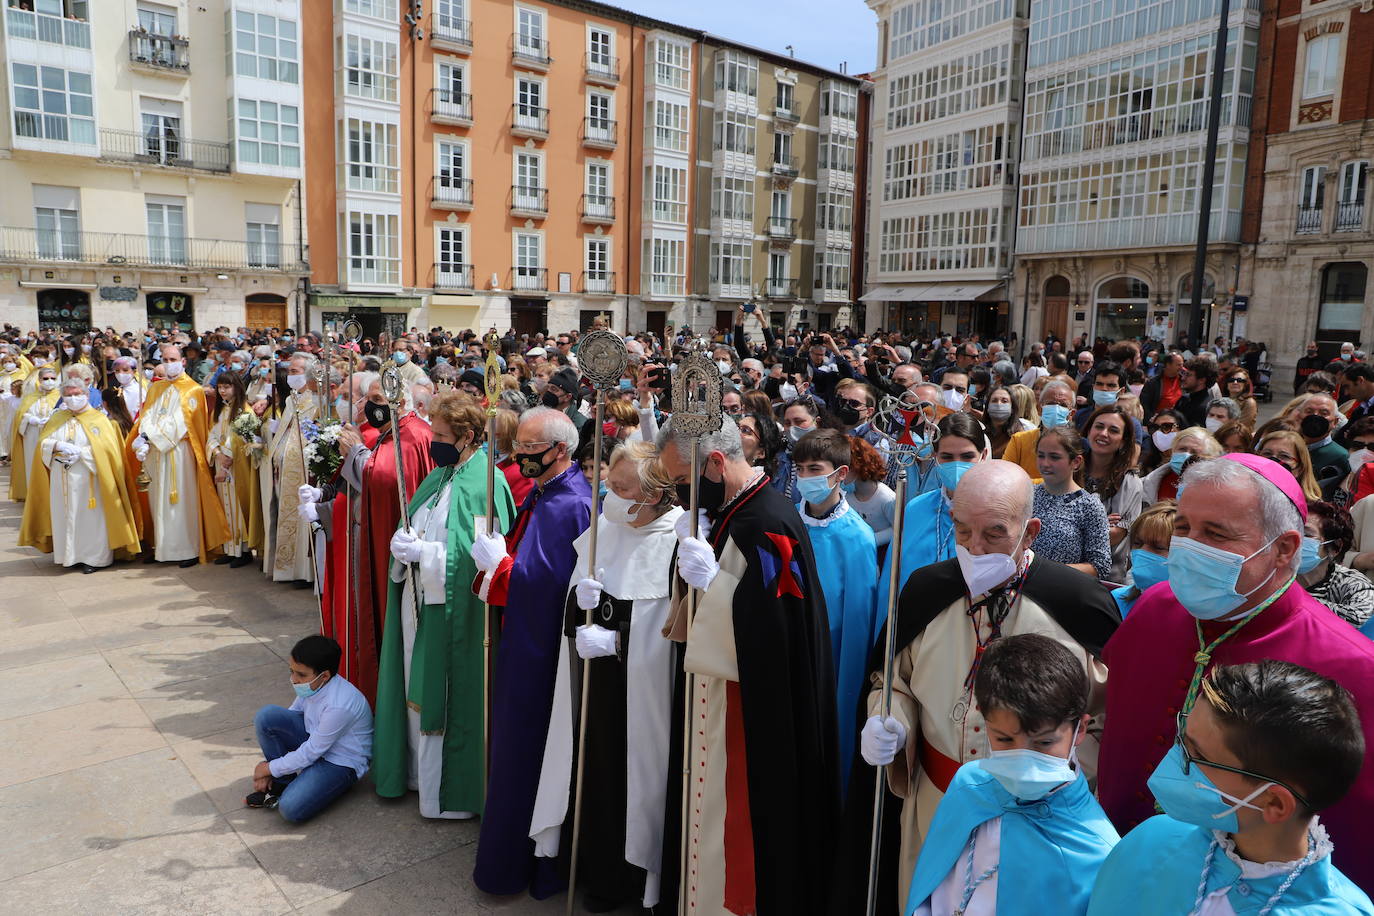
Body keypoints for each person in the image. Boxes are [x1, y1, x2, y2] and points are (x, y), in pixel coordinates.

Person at [847, 460, 1118, 912]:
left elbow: (1105, 718)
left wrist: (1056, 779)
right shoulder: (926, 590)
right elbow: (893, 683)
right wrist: (888, 721)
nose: (974, 548)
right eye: (962, 531)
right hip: (938, 807)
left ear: (1030, 531)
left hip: (1042, 821)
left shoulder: (1079, 604)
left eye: (994, 533)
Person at [1096, 453, 1374, 889]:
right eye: (1184, 528)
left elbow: (1357, 830)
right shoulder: (1155, 607)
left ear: (1284, 548)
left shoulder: (1353, 666)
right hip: (1121, 860)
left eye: (1216, 534)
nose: (1188, 545)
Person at [655, 415, 839, 914]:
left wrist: (714, 585)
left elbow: (778, 633)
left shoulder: (766, 522)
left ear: (714, 463)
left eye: (681, 481)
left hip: (749, 710)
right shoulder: (735, 513)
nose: (679, 494)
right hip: (716, 692)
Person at [1089, 660, 1374, 915]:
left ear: (1274, 803)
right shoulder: (1153, 839)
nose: (1175, 759)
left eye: (1197, 756)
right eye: (1182, 739)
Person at [530, 440, 681, 912]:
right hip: (594, 685)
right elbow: (576, 601)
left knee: (632, 779)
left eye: (619, 488)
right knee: (591, 771)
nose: (607, 496)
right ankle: (593, 867)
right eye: (608, 485)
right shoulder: (607, 527)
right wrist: (580, 607)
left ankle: (633, 877)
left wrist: (619, 642)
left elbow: (676, 632)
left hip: (641, 694)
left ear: (653, 495)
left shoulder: (679, 539)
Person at [371, 391, 517, 820]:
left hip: (453, 614)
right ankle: (416, 776)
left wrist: (427, 556)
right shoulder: (440, 475)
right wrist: (403, 545)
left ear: (468, 436)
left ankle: (448, 794)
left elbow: (480, 557)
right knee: (412, 681)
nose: (432, 441)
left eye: (440, 434)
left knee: (444, 693)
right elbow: (419, 521)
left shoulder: (485, 482)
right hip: (418, 602)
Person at [466, 406, 592, 899]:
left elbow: (549, 585)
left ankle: (521, 862)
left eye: (529, 448)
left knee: (527, 750)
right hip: (522, 640)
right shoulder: (545, 493)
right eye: (517, 445)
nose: (520, 456)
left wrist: (502, 567)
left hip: (543, 653)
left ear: (561, 448)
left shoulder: (571, 504)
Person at [904, 634, 1119, 916]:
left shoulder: (1097, 849)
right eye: (1004, 739)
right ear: (984, 718)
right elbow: (929, 891)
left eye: (1044, 743)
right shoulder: (969, 786)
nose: (1023, 759)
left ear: (1080, 729)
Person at [302, 375, 433, 703]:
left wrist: (357, 451)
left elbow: (386, 480)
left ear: (399, 402)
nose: (370, 406)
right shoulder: (392, 432)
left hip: (392, 544)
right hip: (368, 535)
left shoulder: (413, 434)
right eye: (370, 398)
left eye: (377, 398)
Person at [793, 429, 881, 792]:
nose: (805, 477)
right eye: (799, 468)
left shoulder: (856, 536)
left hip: (830, 661)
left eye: (815, 468)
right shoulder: (787, 524)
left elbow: (858, 626)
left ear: (841, 474)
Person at [17, 377, 141, 573]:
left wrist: (82, 454)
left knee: (91, 518)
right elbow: (43, 444)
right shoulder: (57, 418)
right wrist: (56, 446)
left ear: (86, 394)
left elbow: (109, 453)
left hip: (90, 478)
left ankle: (95, 558)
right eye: (68, 395)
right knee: (66, 516)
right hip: (62, 477)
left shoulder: (100, 420)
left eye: (77, 394)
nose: (73, 398)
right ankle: (71, 555)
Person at [248, 635, 374, 823]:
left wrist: (268, 768)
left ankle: (330, 783)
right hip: (315, 743)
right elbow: (291, 716)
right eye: (292, 671)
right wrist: (273, 770)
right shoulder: (313, 685)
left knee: (290, 809)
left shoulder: (339, 705)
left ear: (324, 675)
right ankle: (282, 783)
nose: (293, 679)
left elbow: (311, 752)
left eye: (300, 674)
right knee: (267, 717)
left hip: (340, 762)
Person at [125, 345, 230, 567]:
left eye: (173, 358)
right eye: (165, 358)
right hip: (156, 452)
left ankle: (187, 550)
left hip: (179, 453)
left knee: (180, 501)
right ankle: (161, 548)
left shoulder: (192, 390)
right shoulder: (156, 388)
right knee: (158, 500)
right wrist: (142, 438)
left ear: (182, 361)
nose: (168, 361)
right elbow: (148, 414)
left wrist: (149, 435)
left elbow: (182, 424)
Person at [877, 413, 990, 617]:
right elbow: (891, 584)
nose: (956, 465)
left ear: (983, 455)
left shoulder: (995, 512)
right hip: (915, 623)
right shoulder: (915, 509)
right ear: (935, 457)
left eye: (967, 457)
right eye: (947, 457)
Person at [262, 354, 321, 585]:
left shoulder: (316, 400)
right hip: (283, 467)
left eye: (296, 371)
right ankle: (287, 568)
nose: (291, 375)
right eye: (291, 370)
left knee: (301, 517)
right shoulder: (291, 400)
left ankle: (304, 572)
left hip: (303, 469)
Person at [1033, 424, 1112, 579]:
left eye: (1054, 457)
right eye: (1041, 455)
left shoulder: (1089, 505)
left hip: (1061, 592)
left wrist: (1048, 571)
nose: (1045, 463)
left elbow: (1100, 566)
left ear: (1075, 462)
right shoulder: (1027, 493)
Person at [206, 369, 262, 566]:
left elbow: (235, 441)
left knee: (238, 505)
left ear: (237, 387)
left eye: (227, 386)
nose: (222, 391)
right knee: (226, 506)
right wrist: (217, 454)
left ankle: (243, 550)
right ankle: (230, 548)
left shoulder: (245, 411)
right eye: (220, 387)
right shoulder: (220, 410)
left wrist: (224, 463)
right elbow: (212, 434)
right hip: (222, 461)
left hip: (236, 468)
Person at [1082, 405, 1143, 582]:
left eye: (1113, 430)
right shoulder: (1070, 470)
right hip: (1063, 568)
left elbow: (1114, 535)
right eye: (1099, 426)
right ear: (1089, 430)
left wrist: (1076, 524)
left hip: (1106, 578)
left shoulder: (1130, 482)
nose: (1103, 433)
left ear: (1123, 441)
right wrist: (1099, 522)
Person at [1300, 500, 1374, 628]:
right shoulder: (1269, 573)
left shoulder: (1354, 585)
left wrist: (1293, 600)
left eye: (1306, 534)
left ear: (1335, 548)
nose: (1296, 539)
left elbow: (1360, 618)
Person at [1111, 501, 1175, 619]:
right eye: (1137, 543)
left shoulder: (1194, 617)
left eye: (1158, 547)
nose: (1142, 552)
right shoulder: (1116, 600)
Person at [1002, 379, 1075, 478]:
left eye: (1063, 405)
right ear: (1040, 408)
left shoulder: (1078, 445)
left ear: (1071, 414)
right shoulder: (1019, 441)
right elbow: (1006, 475)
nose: (1056, 408)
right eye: (1051, 403)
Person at [7, 365, 60, 501]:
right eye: (46, 378)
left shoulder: (60, 397)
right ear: (40, 380)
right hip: (32, 435)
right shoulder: (30, 397)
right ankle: (34, 495)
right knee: (32, 463)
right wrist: (31, 419)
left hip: (52, 436)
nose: (49, 381)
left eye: (52, 378)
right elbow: (20, 415)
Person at [1141, 426, 1221, 504]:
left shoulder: (1216, 490)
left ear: (1208, 458)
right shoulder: (1146, 484)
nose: (1186, 454)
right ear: (1173, 450)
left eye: (1194, 452)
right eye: (1182, 449)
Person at [845, 435, 897, 552]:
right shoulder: (846, 494)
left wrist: (872, 539)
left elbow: (899, 528)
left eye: (846, 469)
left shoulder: (887, 498)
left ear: (858, 467)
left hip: (880, 552)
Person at [1256, 428, 1322, 502]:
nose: (1273, 461)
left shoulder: (1313, 506)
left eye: (1284, 456)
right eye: (1267, 453)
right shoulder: (1244, 492)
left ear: (1300, 468)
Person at [984, 385, 1035, 459]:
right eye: (994, 400)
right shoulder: (980, 432)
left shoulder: (1022, 435)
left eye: (1004, 401)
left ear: (1012, 408)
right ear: (987, 407)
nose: (999, 404)